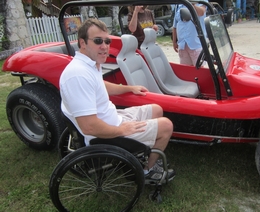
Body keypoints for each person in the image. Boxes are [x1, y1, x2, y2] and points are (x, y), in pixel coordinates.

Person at [59, 18, 175, 182]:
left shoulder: (89, 64)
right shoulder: (78, 75)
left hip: (113, 119)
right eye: (98, 41)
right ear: (82, 43)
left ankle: (145, 150)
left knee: (156, 109)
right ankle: (147, 171)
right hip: (107, 134)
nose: (105, 46)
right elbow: (89, 126)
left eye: (107, 41)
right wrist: (123, 130)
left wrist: (128, 88)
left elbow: (100, 85)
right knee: (166, 125)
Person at [172, 0, 208, 66]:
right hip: (182, 44)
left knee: (199, 71)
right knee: (186, 71)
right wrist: (174, 41)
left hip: (196, 44)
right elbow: (175, 25)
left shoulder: (201, 0)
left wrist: (192, 4)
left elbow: (201, 12)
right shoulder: (179, 4)